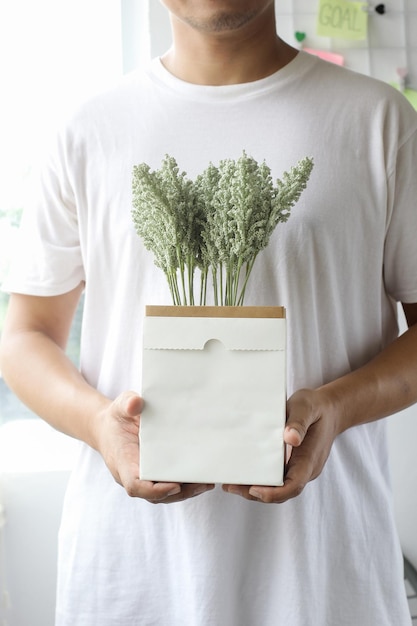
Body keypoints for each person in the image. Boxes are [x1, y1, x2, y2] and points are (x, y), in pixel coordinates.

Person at [1, 1, 417, 624]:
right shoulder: (89, 129)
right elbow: (25, 336)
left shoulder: (378, 119)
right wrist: (100, 426)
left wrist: (335, 407)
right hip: (132, 578)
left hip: (324, 578)